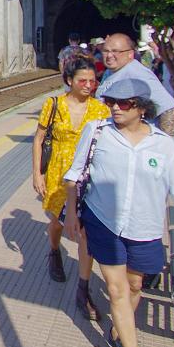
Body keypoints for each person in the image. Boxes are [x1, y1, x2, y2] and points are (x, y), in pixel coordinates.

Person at [62, 77, 174, 347]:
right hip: (105, 223)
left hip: (144, 229)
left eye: (124, 103)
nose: (115, 108)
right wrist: (73, 214)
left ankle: (120, 330)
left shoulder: (163, 145)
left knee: (133, 286)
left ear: (142, 108)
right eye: (111, 102)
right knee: (117, 290)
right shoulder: (97, 132)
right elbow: (74, 174)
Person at [31, 58, 111, 318]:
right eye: (82, 81)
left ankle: (83, 289)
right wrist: (37, 174)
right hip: (58, 174)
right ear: (69, 81)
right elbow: (39, 139)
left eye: (92, 81)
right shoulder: (53, 104)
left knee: (85, 231)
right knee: (57, 222)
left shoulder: (101, 109)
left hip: (87, 176)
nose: (88, 85)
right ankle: (54, 251)